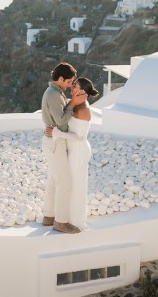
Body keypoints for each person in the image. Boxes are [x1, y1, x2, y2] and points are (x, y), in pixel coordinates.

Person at [50, 77, 99, 230]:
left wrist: (58, 133)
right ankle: (66, 216)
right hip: (73, 150)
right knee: (70, 183)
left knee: (76, 185)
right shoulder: (75, 103)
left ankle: (76, 220)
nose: (72, 86)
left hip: (79, 151)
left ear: (82, 92)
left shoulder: (84, 110)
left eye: (75, 85)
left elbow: (80, 137)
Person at [41, 62, 81, 234]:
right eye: (69, 82)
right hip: (56, 141)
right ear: (60, 78)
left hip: (52, 139)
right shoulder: (54, 95)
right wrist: (73, 104)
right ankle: (61, 222)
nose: (70, 85)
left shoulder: (54, 92)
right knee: (65, 183)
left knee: (53, 180)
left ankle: (49, 216)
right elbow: (61, 120)